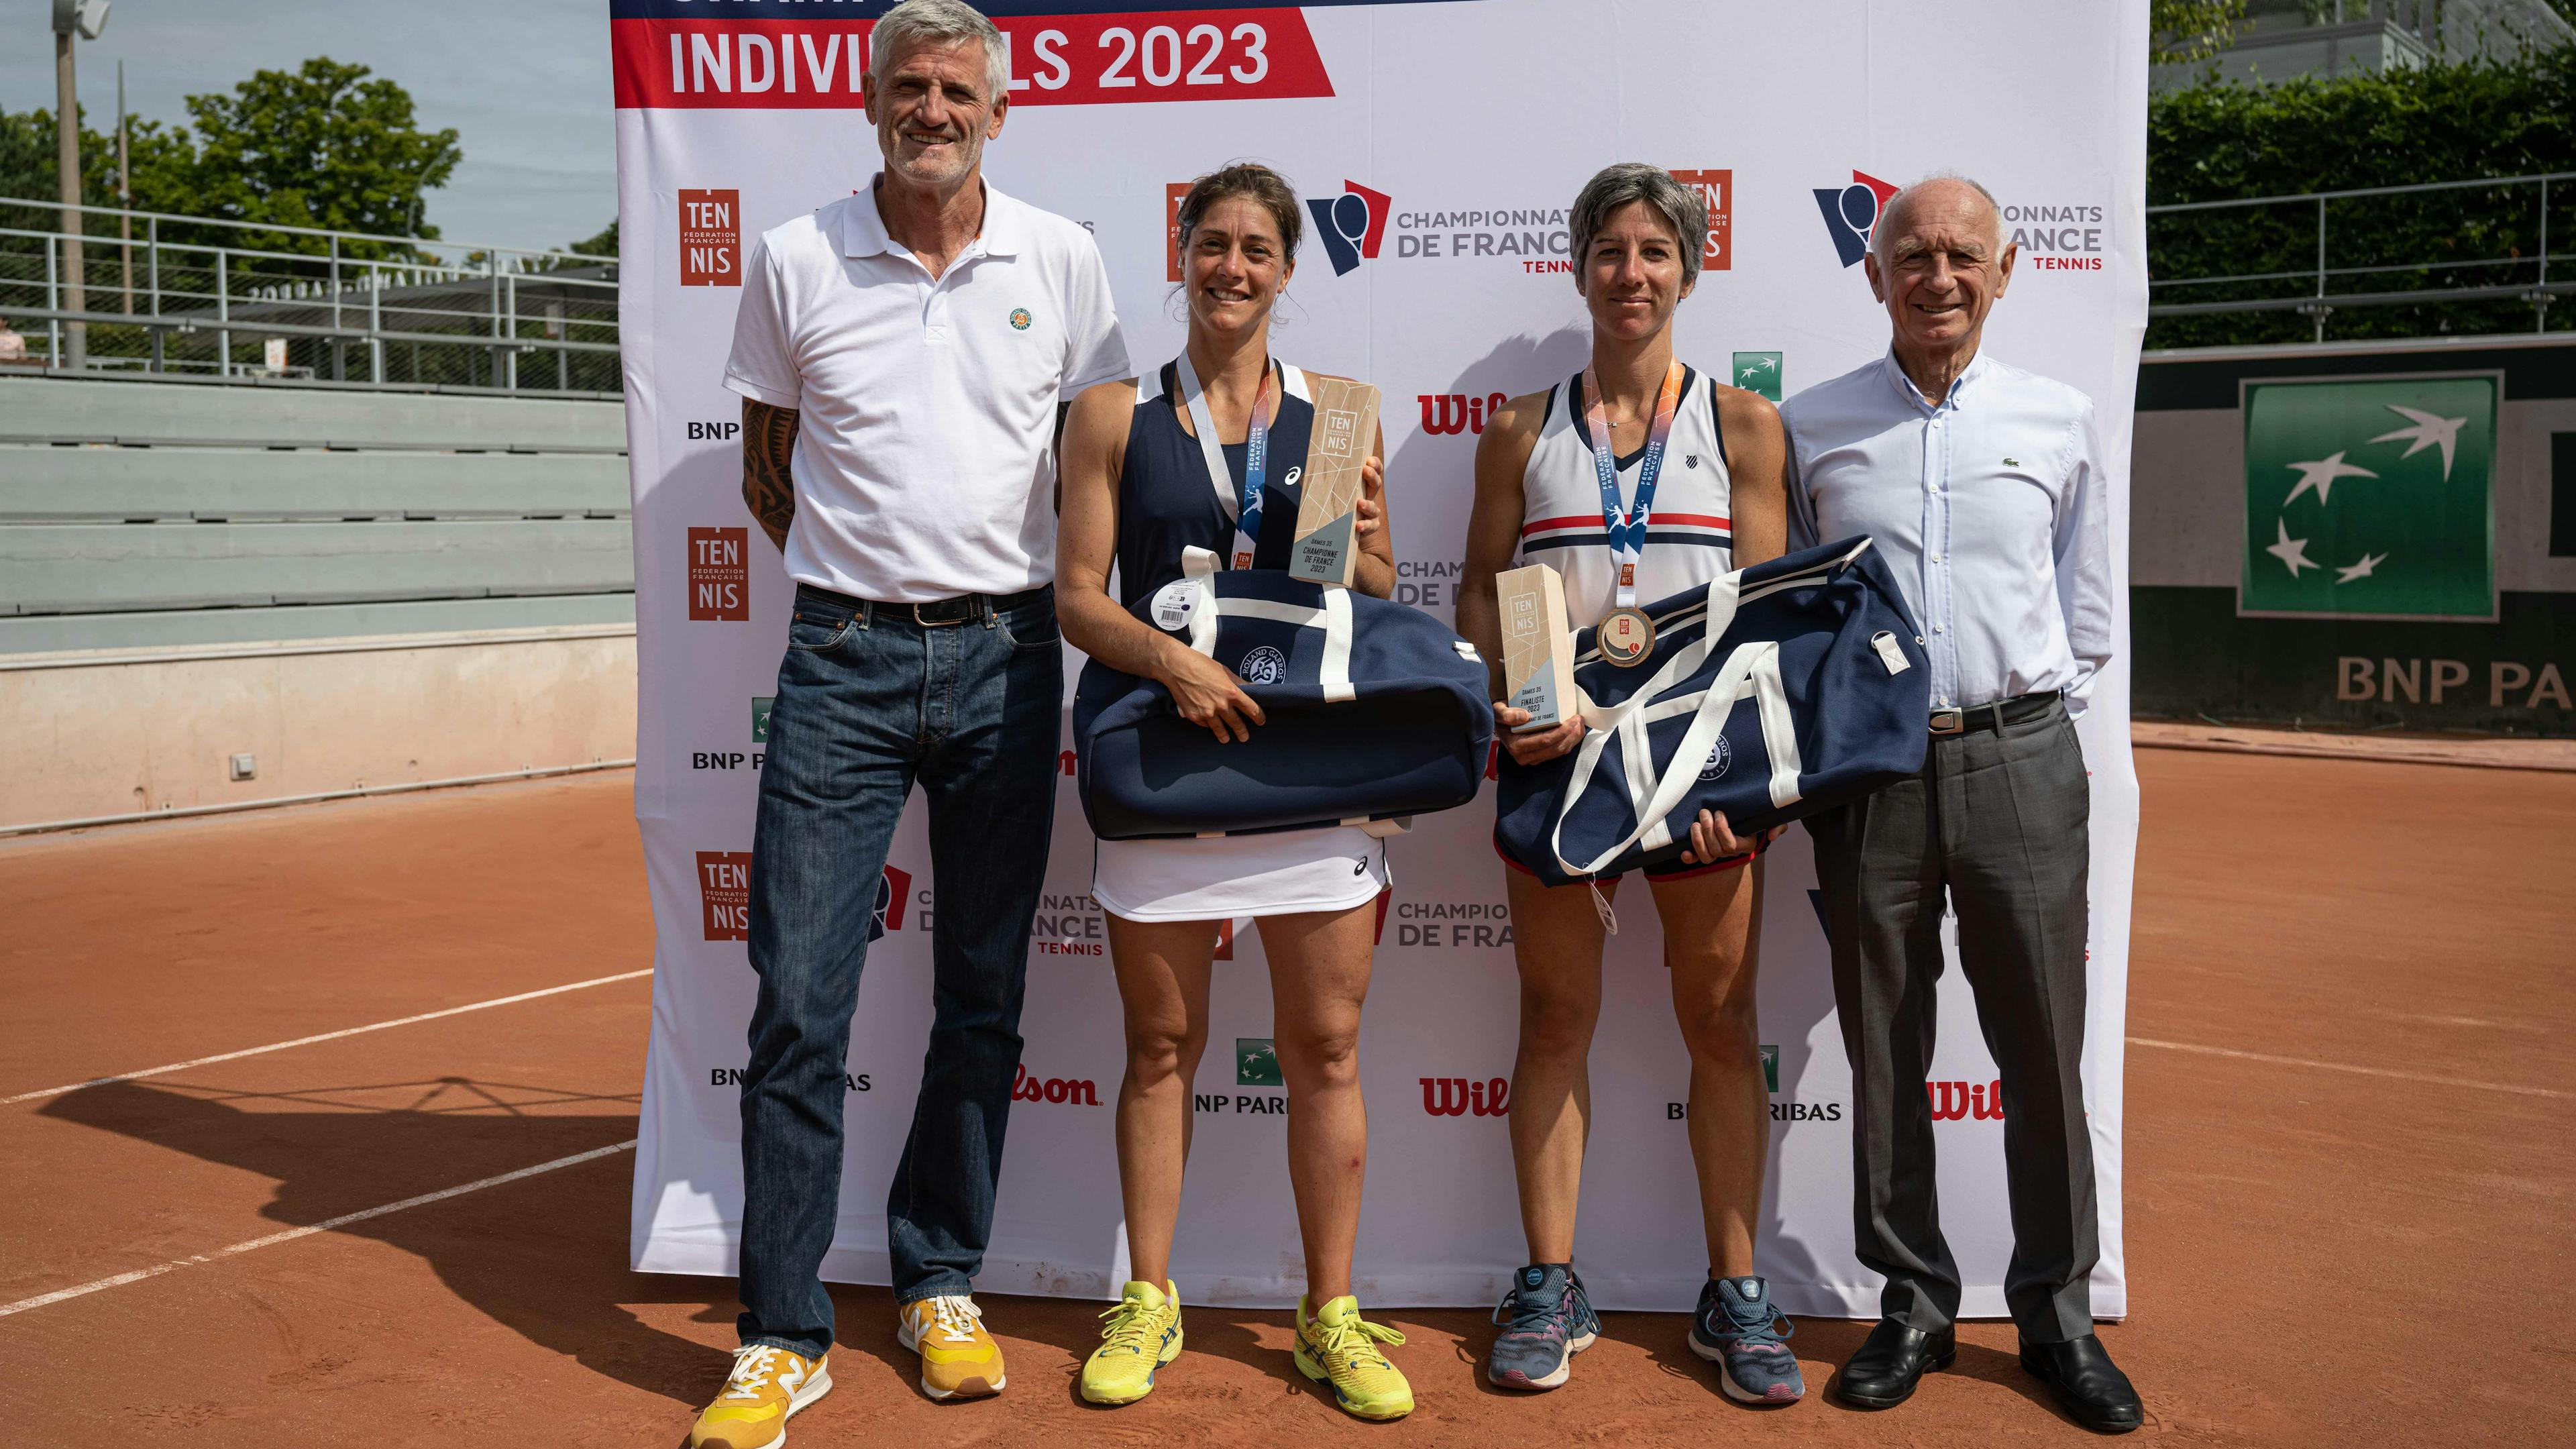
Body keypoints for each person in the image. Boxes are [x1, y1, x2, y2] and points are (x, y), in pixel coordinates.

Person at [686, 2, 1130, 1444]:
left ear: (999, 111)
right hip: (843, 663)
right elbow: (770, 464)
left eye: (957, 90)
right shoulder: (797, 255)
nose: (931, 109)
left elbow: (1098, 464)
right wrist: (864, 577)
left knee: (983, 998)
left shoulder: (1060, 258)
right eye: (908, 88)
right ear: (870, 102)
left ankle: (941, 1276)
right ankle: (782, 1333)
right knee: (800, 1001)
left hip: (1008, 658)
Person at [1778, 173, 2140, 1434]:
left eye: (1962, 255)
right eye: (1912, 255)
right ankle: (1915, 1302)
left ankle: (2056, 1315)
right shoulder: (1808, 424)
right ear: (1873, 273)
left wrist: (2004, 711)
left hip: (2024, 757)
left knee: (2043, 1043)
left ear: (2007, 266)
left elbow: (2086, 614)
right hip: (1867, 776)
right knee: (1886, 1045)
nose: (1938, 276)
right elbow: (1790, 614)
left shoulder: (2061, 417)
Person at [1054, 162, 1414, 1420]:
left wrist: (1368, 542)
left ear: (1287, 270)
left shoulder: (1342, 413)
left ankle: (1331, 1316)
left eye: (1259, 249)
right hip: (1163, 755)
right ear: (1184, 253)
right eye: (1213, 243)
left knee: (1324, 1046)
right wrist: (1175, 666)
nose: (1233, 267)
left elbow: (1357, 597)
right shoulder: (1110, 411)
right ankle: (1149, 1299)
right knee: (1162, 1047)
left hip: (1307, 770)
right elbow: (1078, 595)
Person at [1455, 163, 1799, 1405]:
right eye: (1611, 250)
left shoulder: (1744, 425)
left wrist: (1743, 780)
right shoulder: (1518, 429)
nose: (1633, 272)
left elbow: (1775, 621)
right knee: (1554, 1022)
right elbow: (1479, 594)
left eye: (1657, 251)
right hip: (1560, 768)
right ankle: (1551, 1280)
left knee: (1718, 1025)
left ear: (1689, 271)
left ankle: (1735, 1291)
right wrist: (1520, 694)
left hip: (1703, 779)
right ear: (1581, 267)